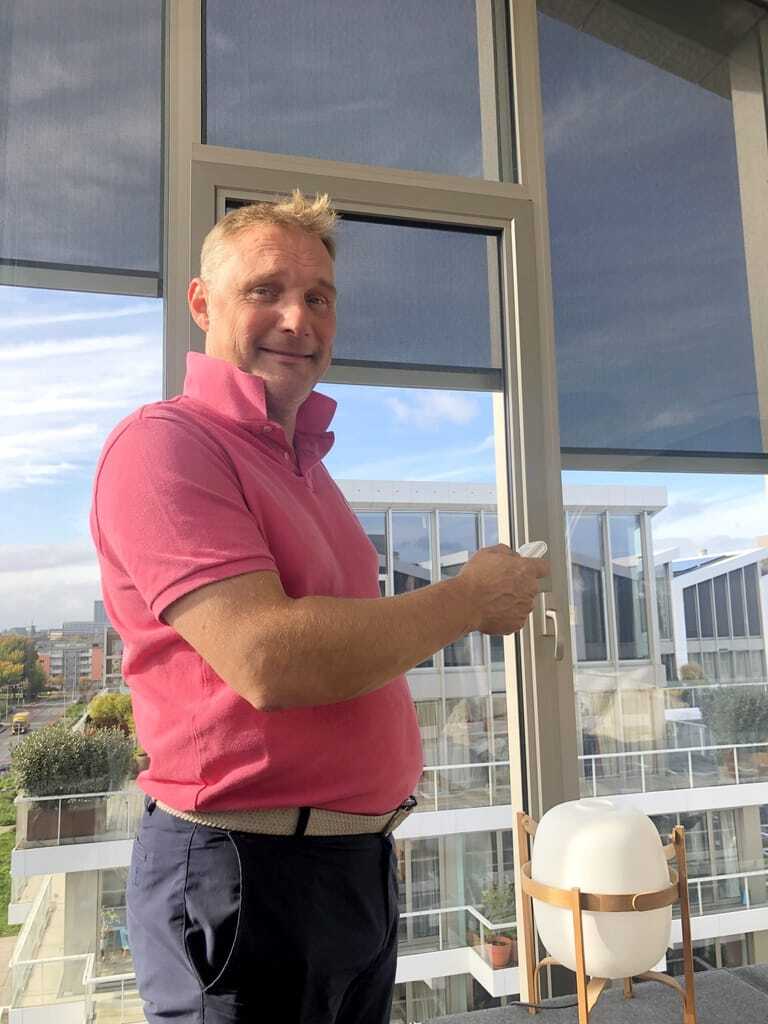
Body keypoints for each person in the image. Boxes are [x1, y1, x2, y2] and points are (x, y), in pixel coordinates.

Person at [90, 190, 548, 1024]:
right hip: (243, 877)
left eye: (319, 297)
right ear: (203, 304)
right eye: (265, 290)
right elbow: (268, 658)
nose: (298, 318)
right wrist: (469, 598)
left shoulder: (307, 470)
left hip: (348, 869)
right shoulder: (162, 444)